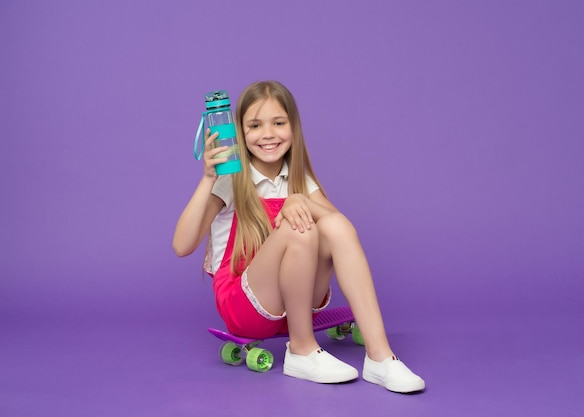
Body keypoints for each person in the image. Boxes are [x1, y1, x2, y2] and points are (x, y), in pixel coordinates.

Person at [173, 80, 425, 393]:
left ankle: (380, 357)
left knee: (333, 226)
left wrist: (300, 198)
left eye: (278, 123)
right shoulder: (231, 180)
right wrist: (208, 179)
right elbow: (182, 246)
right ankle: (302, 351)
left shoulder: (297, 177)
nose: (268, 134)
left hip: (296, 305)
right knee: (298, 227)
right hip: (243, 306)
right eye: (255, 125)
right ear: (239, 131)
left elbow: (341, 228)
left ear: (293, 127)